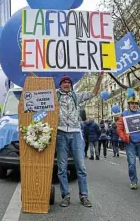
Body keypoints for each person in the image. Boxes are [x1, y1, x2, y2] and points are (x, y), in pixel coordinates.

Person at [56, 74, 103, 207]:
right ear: (60, 85)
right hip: (60, 134)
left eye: (68, 83)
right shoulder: (54, 95)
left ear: (71, 85)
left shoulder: (77, 96)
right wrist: (29, 70)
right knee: (61, 168)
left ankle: (84, 196)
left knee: (81, 167)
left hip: (76, 133)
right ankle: (66, 196)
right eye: (64, 82)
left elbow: (93, 93)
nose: (66, 84)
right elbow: (41, 88)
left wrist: (99, 78)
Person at [117, 97, 140, 191]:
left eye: (135, 104)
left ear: (137, 105)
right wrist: (125, 138)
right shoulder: (124, 115)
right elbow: (119, 129)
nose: (134, 105)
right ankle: (133, 182)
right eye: (132, 104)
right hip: (130, 143)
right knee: (131, 163)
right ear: (129, 105)